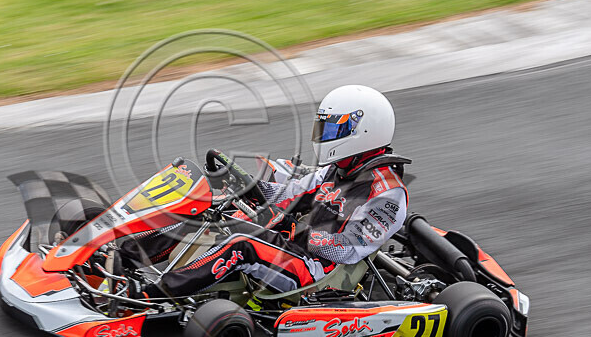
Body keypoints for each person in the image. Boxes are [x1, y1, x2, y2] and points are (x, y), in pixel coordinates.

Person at [125, 85, 409, 300]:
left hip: (319, 271)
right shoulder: (338, 169)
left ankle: (151, 295)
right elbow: (288, 192)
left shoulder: (388, 195)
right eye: (324, 128)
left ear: (365, 131)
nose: (325, 136)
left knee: (242, 245)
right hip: (295, 247)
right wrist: (246, 185)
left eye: (334, 129)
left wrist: (297, 229)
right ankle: (125, 257)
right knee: (214, 212)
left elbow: (348, 249)